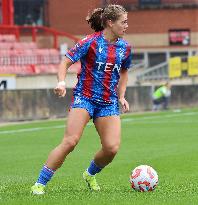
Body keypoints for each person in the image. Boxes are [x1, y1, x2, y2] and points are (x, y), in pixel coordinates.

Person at [31, 4, 131, 195]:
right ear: (110, 23)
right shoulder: (90, 42)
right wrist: (61, 82)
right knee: (70, 141)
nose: (127, 26)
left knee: (111, 148)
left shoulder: (125, 48)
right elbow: (66, 61)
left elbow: (124, 70)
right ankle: (39, 184)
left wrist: (122, 95)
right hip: (85, 98)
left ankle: (89, 174)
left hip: (108, 102)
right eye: (123, 22)